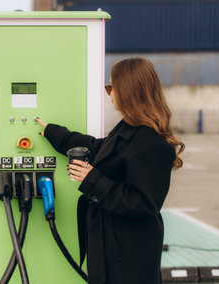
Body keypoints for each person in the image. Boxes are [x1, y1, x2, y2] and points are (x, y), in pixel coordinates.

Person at [36, 57, 184, 284]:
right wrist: (53, 133)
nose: (109, 93)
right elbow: (97, 147)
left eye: (110, 87)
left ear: (128, 90)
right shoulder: (129, 129)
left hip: (129, 257)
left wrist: (91, 179)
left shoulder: (153, 143)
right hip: (113, 249)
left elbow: (144, 204)